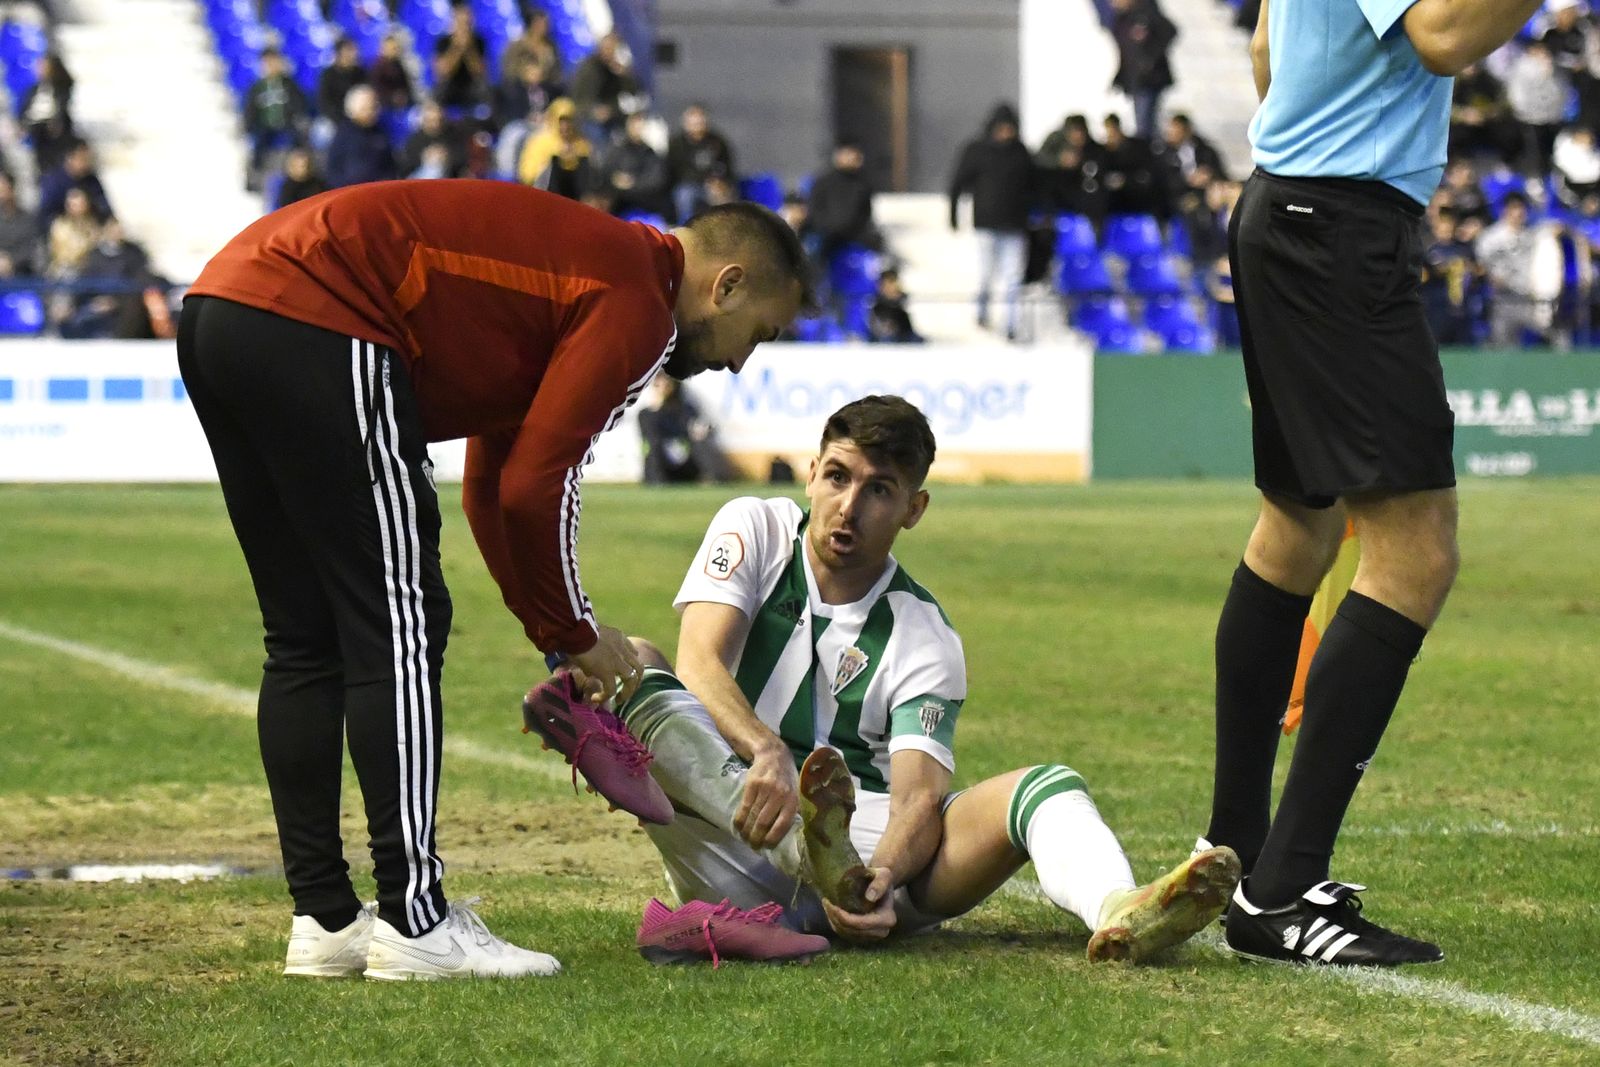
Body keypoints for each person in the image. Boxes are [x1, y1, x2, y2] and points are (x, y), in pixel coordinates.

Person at [177, 185, 809, 980]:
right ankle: (416, 918)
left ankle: (327, 916)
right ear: (728, 284)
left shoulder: (584, 271)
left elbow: (493, 483)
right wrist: (578, 632)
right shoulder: (639, 301)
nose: (739, 358)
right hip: (327, 313)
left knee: (306, 635)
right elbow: (540, 485)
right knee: (399, 627)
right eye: (759, 331)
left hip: (221, 308)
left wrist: (556, 632)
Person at [543, 396, 1239, 960]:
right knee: (630, 661)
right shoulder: (754, 527)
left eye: (879, 490)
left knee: (1044, 786)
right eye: (839, 476)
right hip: (731, 823)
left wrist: (883, 878)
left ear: (914, 509)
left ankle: (1121, 910)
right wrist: (766, 750)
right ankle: (791, 858)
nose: (849, 505)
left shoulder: (923, 633)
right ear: (811, 472)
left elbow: (915, 800)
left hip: (859, 861)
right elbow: (700, 660)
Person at [1205, 0, 1545, 967]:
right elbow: (1442, 33)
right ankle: (1277, 893)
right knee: (1415, 554)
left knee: (1296, 528)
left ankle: (1236, 847)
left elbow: (1270, 47)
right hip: (1337, 230)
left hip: (1292, 205)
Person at [949, 104, 1037, 339]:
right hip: (986, 224)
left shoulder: (1021, 154)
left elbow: (1034, 186)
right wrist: (953, 214)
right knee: (985, 274)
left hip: (1014, 225)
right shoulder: (977, 151)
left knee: (1013, 278)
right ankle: (982, 313)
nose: (1006, 133)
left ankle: (1012, 324)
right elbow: (958, 183)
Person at [637, 376, 730, 484]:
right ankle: (656, 481)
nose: (662, 389)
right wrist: (657, 408)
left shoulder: (686, 410)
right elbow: (650, 436)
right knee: (653, 445)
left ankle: (714, 478)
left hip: (685, 461)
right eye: (658, 386)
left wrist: (700, 431)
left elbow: (694, 427)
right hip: (662, 463)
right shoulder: (646, 414)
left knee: (700, 440)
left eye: (666, 385)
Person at [1109, 0, 1178, 138]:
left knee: (1145, 125)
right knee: (1143, 123)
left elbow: (1170, 31)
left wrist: (1150, 59)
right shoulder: (1122, 19)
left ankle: (1149, 153)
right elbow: (1126, 52)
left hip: (1150, 80)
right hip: (1135, 80)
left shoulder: (1146, 12)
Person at [243, 48, 310, 189]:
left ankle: (301, 175)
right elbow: (250, 109)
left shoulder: (289, 84)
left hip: (287, 123)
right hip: (265, 126)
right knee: (258, 145)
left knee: (298, 140)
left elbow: (299, 103)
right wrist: (249, 125)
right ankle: (254, 176)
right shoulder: (257, 87)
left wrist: (297, 117)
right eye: (267, 62)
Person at [806, 141, 883, 263]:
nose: (851, 159)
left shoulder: (862, 184)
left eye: (854, 155)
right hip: (827, 235)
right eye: (847, 154)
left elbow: (865, 213)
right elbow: (815, 211)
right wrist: (828, 227)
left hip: (855, 235)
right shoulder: (823, 182)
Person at [666, 103, 735, 224]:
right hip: (687, 185)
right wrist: (703, 179)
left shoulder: (717, 142)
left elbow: (727, 167)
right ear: (686, 123)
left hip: (714, 185)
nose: (697, 126)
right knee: (685, 195)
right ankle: (685, 229)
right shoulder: (677, 144)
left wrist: (721, 182)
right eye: (693, 123)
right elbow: (675, 171)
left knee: (725, 198)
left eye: (700, 122)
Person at [325, 86, 399, 188]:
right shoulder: (344, 135)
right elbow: (334, 173)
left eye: (374, 107)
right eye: (365, 108)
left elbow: (390, 167)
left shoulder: (380, 132)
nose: (371, 112)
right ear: (353, 110)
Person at [431, 3, 490, 110]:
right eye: (460, 23)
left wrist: (469, 49)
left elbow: (479, 71)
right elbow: (444, 72)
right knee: (439, 91)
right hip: (450, 85)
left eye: (467, 23)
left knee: (486, 90)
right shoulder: (443, 42)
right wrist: (457, 48)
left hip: (471, 85)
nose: (464, 27)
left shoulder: (479, 41)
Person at [316, 37, 369, 125]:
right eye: (349, 51)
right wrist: (343, 117)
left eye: (354, 51)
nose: (353, 54)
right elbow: (324, 104)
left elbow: (367, 94)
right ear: (339, 54)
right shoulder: (328, 74)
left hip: (359, 116)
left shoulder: (360, 72)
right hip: (336, 118)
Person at [867, 268, 923, 343]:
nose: (889, 287)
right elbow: (875, 329)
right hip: (885, 340)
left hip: (906, 338)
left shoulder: (906, 302)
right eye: (885, 284)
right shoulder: (875, 304)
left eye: (891, 282)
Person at [368, 33, 416, 113]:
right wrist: (393, 98)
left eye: (395, 48)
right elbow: (377, 90)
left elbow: (406, 86)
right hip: (385, 107)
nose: (394, 51)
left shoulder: (398, 64)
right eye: (391, 48)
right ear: (383, 49)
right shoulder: (377, 68)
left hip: (402, 104)